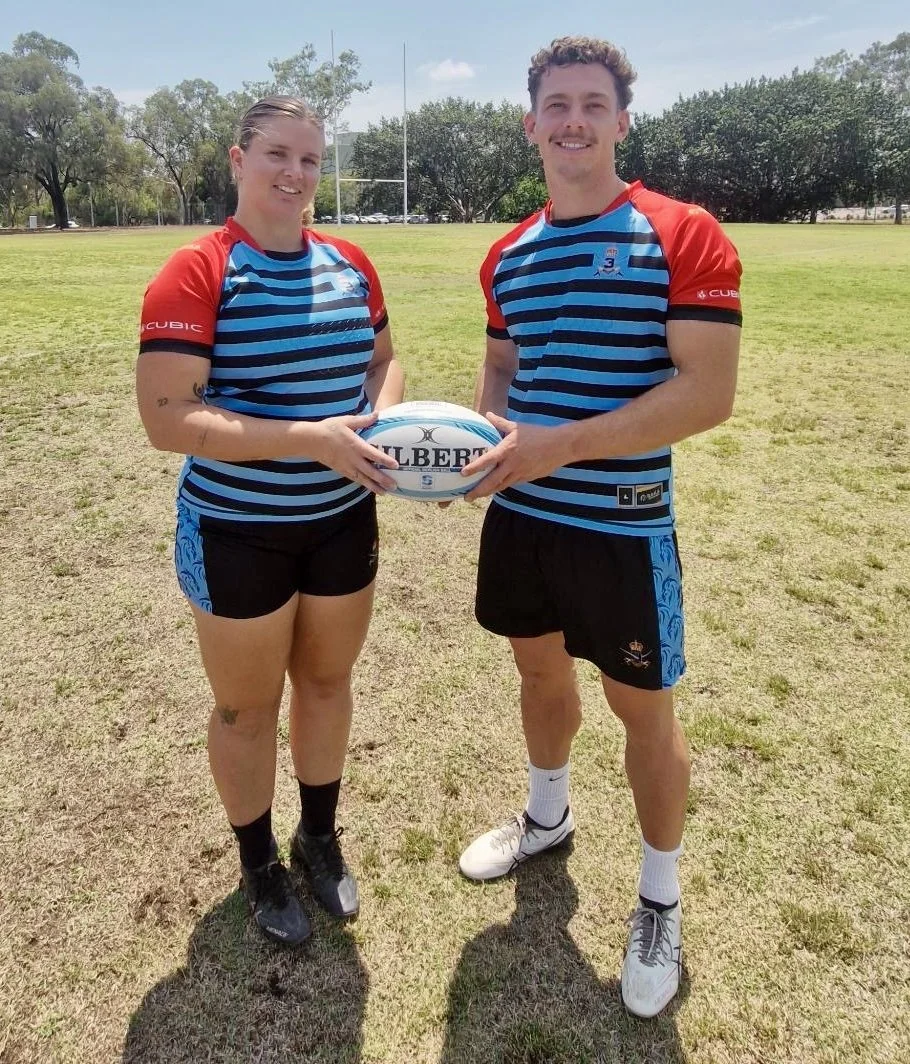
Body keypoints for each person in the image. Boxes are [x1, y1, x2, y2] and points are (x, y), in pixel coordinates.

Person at [456, 37, 742, 1017]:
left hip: (624, 526)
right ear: (529, 121)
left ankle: (658, 894)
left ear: (621, 121)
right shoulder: (508, 251)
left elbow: (706, 392)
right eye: (554, 104)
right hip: (523, 520)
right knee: (536, 674)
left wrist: (557, 445)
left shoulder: (682, 232)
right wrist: (476, 443)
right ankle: (547, 817)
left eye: (592, 104)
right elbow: (501, 370)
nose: (571, 119)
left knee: (643, 713)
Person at [136, 96, 404, 946]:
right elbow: (166, 418)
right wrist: (309, 439)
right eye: (277, 156)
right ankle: (258, 862)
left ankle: (318, 838)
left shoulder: (351, 263)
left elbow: (385, 359)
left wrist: (379, 426)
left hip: (341, 521)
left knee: (326, 685)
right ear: (237, 160)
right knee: (246, 710)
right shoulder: (198, 270)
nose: (295, 175)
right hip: (238, 530)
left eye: (310, 160)